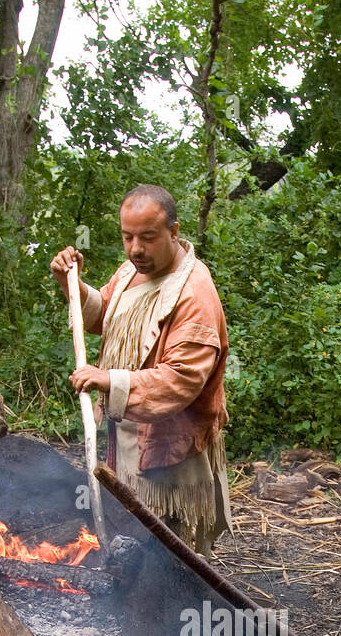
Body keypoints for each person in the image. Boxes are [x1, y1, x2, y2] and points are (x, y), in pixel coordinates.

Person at [51, 184, 232, 555]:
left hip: (171, 453)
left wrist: (109, 379)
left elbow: (180, 381)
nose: (135, 249)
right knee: (138, 542)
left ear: (174, 232)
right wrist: (72, 286)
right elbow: (106, 315)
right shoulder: (132, 271)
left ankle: (174, 600)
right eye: (127, 236)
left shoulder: (194, 292)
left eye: (148, 238)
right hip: (129, 439)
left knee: (170, 548)